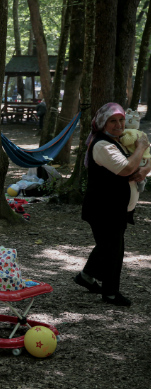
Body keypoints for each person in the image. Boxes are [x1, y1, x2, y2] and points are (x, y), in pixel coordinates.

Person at [76, 103, 151, 307]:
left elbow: (145, 162)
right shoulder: (103, 145)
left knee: (108, 246)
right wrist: (142, 147)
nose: (119, 125)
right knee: (113, 250)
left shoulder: (119, 141)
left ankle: (86, 277)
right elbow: (126, 168)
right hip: (103, 208)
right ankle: (110, 293)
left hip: (115, 207)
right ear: (102, 123)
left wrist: (144, 170)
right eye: (112, 121)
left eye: (121, 120)